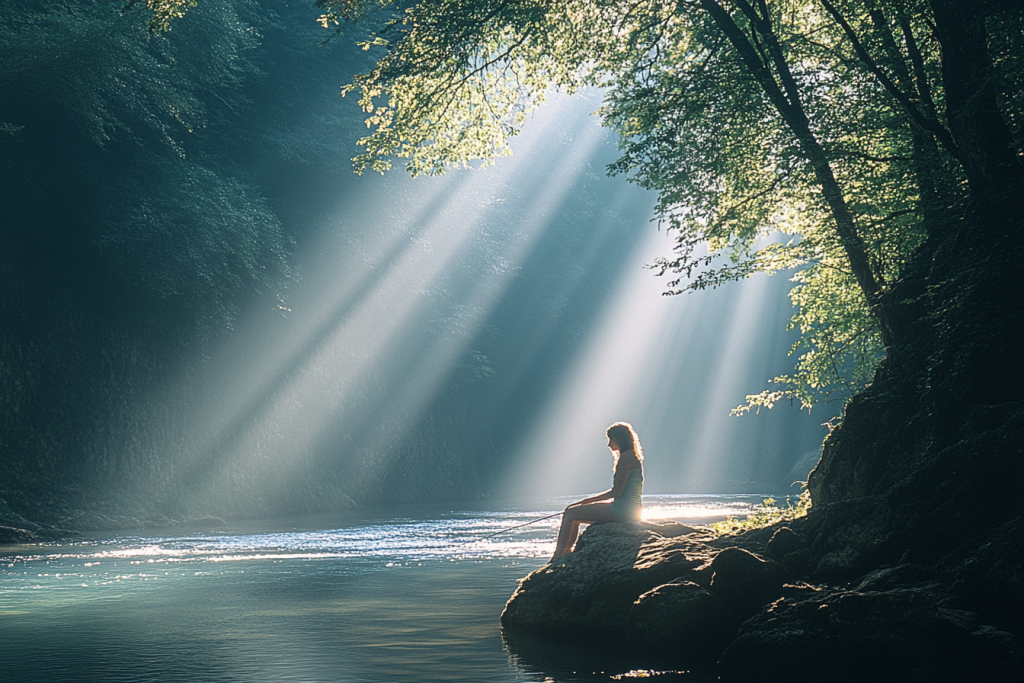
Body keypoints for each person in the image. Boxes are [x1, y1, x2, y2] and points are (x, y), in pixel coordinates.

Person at [549, 421, 644, 562]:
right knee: (574, 516)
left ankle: (557, 557)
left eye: (611, 439)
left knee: (570, 513)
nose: (609, 444)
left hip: (622, 510)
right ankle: (566, 552)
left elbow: (616, 492)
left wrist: (588, 501)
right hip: (632, 510)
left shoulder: (625, 458)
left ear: (619, 439)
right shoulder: (633, 456)